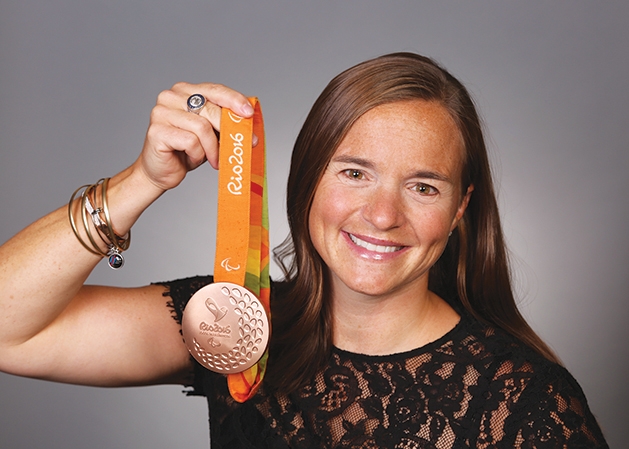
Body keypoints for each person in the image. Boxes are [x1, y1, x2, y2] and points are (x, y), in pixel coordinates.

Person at [0, 53, 608, 448]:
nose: (383, 215)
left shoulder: (529, 402)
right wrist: (142, 181)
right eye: (354, 173)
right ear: (307, 177)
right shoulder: (234, 321)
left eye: (423, 186)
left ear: (458, 210)